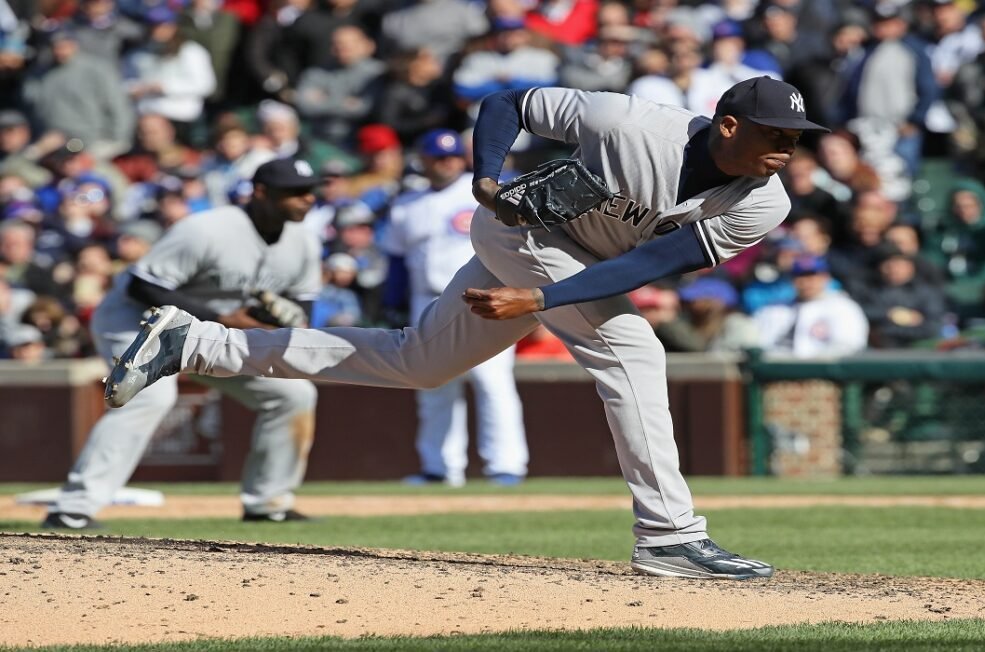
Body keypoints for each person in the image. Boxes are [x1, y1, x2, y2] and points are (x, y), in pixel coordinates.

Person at [105, 77, 826, 580]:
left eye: (797, 136)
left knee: (420, 363)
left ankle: (193, 341)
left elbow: (655, 261)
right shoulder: (631, 123)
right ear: (728, 124)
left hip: (576, 263)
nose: (788, 146)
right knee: (634, 351)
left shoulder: (763, 203)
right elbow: (508, 102)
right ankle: (671, 537)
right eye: (776, 132)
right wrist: (487, 177)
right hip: (521, 233)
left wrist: (538, 302)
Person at [42, 158, 323, 530]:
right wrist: (224, 319)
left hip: (215, 334)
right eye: (294, 192)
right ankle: (73, 508)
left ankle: (268, 503)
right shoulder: (207, 230)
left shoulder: (302, 242)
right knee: (152, 396)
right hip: (138, 320)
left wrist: (276, 317)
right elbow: (143, 285)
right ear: (261, 193)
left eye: (309, 191)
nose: (306, 199)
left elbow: (301, 308)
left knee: (292, 395)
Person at [384, 129, 528, 487]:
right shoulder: (406, 203)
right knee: (432, 383)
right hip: (426, 297)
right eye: (438, 156)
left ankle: (506, 465)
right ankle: (439, 467)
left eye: (451, 155)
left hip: (483, 294)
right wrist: (391, 303)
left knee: (492, 381)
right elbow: (398, 261)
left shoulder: (483, 191)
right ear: (425, 159)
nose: (446, 161)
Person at [753, 255, 869, 358]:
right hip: (774, 373)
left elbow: (850, 346)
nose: (806, 282)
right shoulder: (773, 310)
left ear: (825, 278)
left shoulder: (843, 307)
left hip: (822, 374)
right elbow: (756, 346)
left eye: (812, 276)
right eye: (800, 276)